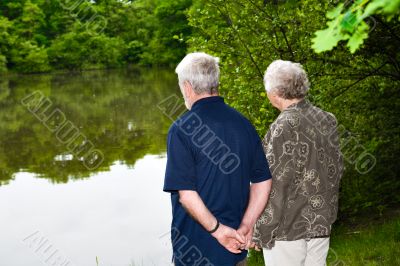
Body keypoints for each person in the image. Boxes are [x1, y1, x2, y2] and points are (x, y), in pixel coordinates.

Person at [163, 52, 272, 266]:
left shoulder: (181, 129)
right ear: (215, 83)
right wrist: (247, 224)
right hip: (236, 247)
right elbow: (262, 180)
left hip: (196, 250)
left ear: (187, 87)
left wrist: (219, 231)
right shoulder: (243, 124)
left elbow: (186, 195)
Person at [253, 60, 344, 266]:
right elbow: (336, 169)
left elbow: (274, 183)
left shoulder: (283, 126)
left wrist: (262, 230)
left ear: (275, 92)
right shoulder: (326, 119)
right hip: (321, 222)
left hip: (287, 229)